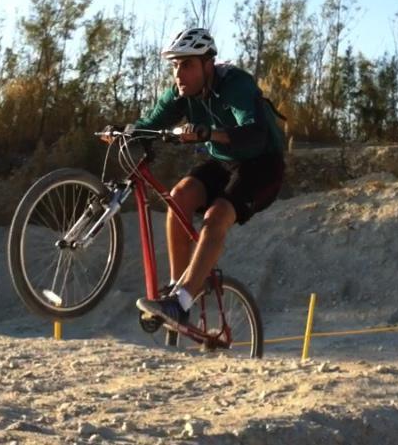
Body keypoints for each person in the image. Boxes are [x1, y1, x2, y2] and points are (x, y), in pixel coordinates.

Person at [117, 27, 286, 328]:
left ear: (208, 64)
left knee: (217, 214)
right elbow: (151, 123)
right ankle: (174, 292)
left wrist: (209, 133)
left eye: (187, 65)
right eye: (175, 66)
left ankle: (181, 303)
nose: (179, 74)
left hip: (262, 164)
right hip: (224, 161)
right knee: (179, 195)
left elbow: (253, 136)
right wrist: (123, 133)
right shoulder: (183, 91)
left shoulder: (236, 85)